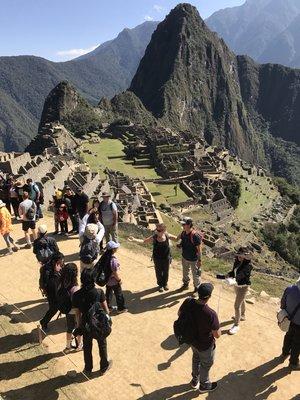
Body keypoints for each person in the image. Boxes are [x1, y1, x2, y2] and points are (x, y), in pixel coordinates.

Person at [178, 283, 221, 393]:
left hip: (192, 341)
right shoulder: (211, 314)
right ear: (209, 296)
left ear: (198, 293)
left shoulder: (188, 302)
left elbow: (179, 314)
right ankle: (204, 385)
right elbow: (217, 335)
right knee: (206, 364)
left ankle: (194, 381)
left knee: (196, 359)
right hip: (205, 345)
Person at [73, 268, 112, 376]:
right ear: (93, 279)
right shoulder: (99, 292)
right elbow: (106, 309)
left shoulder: (77, 295)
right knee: (102, 344)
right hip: (99, 322)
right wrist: (107, 319)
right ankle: (104, 367)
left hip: (86, 324)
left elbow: (77, 313)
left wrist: (79, 325)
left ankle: (88, 369)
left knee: (87, 347)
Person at [129, 223, 177, 292]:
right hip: (157, 258)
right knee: (158, 272)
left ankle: (165, 284)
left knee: (166, 272)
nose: (158, 231)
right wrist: (134, 240)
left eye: (160, 230)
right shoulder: (154, 237)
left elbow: (176, 238)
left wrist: (185, 233)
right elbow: (144, 241)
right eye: (157, 230)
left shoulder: (167, 235)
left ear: (164, 230)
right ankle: (160, 285)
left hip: (166, 258)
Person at [227, 247, 252, 335]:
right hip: (236, 285)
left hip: (243, 287)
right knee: (242, 300)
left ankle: (236, 325)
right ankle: (243, 316)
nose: (239, 257)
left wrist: (233, 280)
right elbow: (234, 272)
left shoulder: (248, 266)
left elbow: (242, 275)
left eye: (241, 256)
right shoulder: (236, 262)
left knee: (237, 306)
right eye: (239, 255)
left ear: (245, 257)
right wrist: (228, 274)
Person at [60, 263, 83, 353]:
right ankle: (79, 345)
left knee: (69, 328)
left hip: (67, 310)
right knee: (79, 328)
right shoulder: (76, 288)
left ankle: (68, 346)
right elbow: (78, 306)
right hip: (76, 311)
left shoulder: (63, 283)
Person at [40, 252, 64, 332]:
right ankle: (44, 322)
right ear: (55, 261)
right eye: (60, 261)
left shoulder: (59, 265)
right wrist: (55, 272)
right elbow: (48, 284)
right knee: (53, 309)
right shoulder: (47, 270)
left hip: (60, 290)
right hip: (52, 294)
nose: (62, 263)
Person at [177, 217, 202, 294]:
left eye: (184, 224)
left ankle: (197, 288)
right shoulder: (183, 233)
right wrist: (180, 245)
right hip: (185, 257)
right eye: (182, 224)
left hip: (194, 259)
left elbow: (199, 249)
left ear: (189, 225)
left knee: (195, 275)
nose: (182, 225)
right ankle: (185, 284)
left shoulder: (195, 235)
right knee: (185, 273)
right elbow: (181, 241)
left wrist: (200, 260)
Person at [280, 277, 300, 370]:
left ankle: (284, 353)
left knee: (288, 336)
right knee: (297, 343)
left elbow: (282, 305)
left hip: (289, 319)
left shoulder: (290, 289)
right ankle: (293, 363)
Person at [105, 241, 128, 313]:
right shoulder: (113, 260)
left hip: (107, 280)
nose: (117, 248)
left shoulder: (105, 257)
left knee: (108, 294)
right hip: (114, 281)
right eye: (115, 248)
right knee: (119, 294)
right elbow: (115, 272)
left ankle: (108, 307)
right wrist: (119, 280)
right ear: (113, 250)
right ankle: (121, 308)